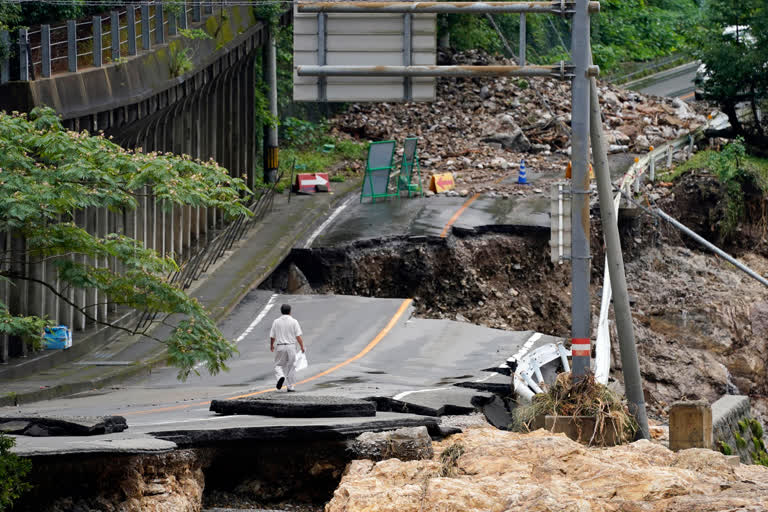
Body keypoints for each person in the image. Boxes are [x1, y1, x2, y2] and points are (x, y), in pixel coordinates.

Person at [269, 303, 305, 392]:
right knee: (291, 366)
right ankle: (290, 386)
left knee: (278, 365)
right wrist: (302, 346)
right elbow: (298, 336)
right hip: (291, 346)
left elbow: (272, 336)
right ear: (290, 311)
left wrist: (271, 345)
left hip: (280, 346)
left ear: (281, 311)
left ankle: (281, 376)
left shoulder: (276, 321)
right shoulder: (294, 321)